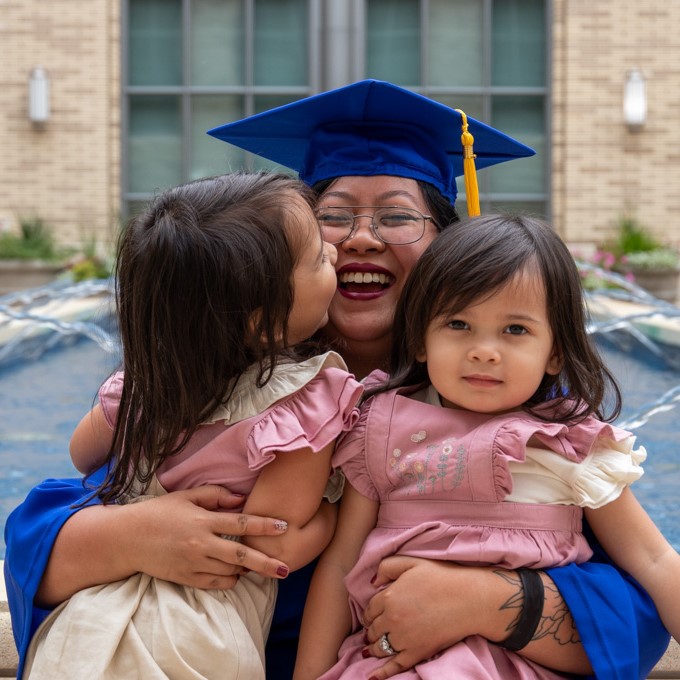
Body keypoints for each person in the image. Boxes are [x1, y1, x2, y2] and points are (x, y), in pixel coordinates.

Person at [4, 80, 669, 680]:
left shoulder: (520, 421)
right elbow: (56, 518)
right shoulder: (219, 392)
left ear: (449, 247)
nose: (359, 240)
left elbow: (637, 603)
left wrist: (498, 604)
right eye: (334, 216)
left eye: (398, 216)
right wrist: (131, 536)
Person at [293, 214, 680, 679]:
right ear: (420, 340)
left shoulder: (570, 444)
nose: (484, 351)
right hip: (387, 660)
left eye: (515, 330)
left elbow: (654, 559)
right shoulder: (381, 430)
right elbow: (340, 565)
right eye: (459, 323)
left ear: (555, 351)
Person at [20, 171, 364, 679]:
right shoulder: (310, 400)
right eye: (319, 252)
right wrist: (338, 521)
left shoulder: (148, 386)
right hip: (201, 632)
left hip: (93, 622)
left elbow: (81, 452)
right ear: (263, 319)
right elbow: (269, 538)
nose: (339, 250)